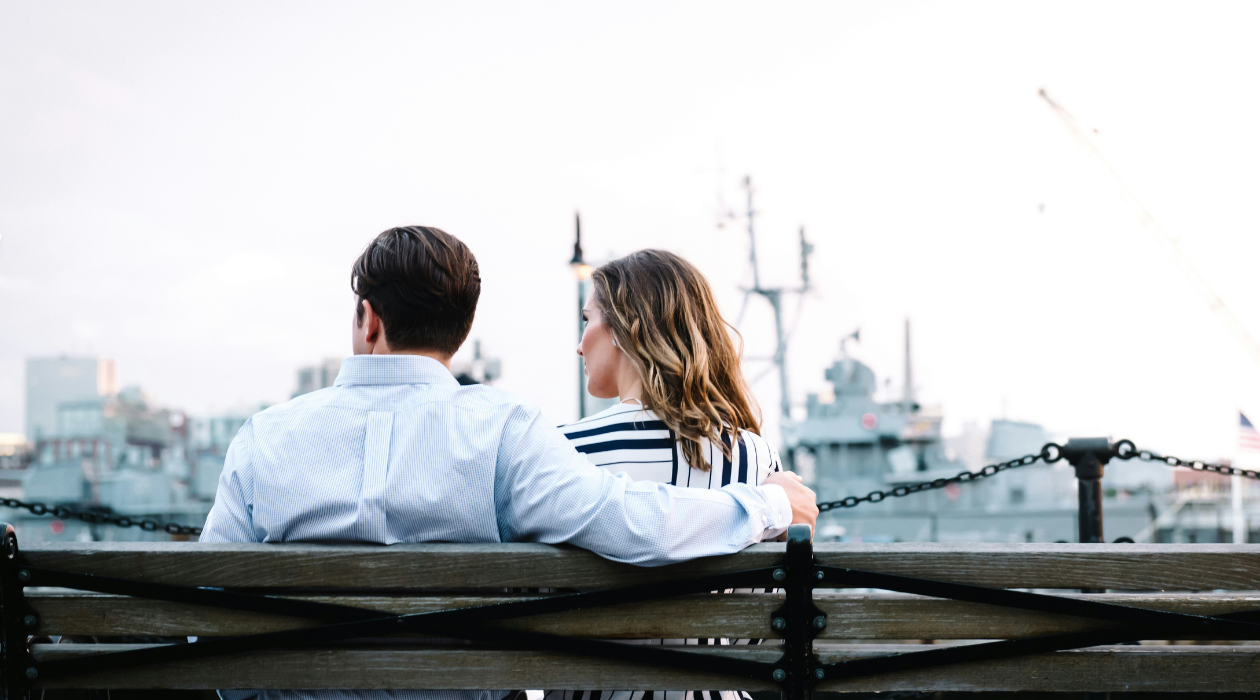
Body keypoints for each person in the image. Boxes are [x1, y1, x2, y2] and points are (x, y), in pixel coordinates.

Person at [199, 226, 819, 700]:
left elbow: (204, 612)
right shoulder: (504, 431)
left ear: (368, 319)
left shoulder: (264, 437)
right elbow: (631, 524)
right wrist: (768, 504)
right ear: (462, 331)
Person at [544, 250, 786, 700]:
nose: (579, 344)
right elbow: (756, 628)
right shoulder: (756, 460)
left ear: (623, 330)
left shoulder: (563, 452)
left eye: (586, 319)